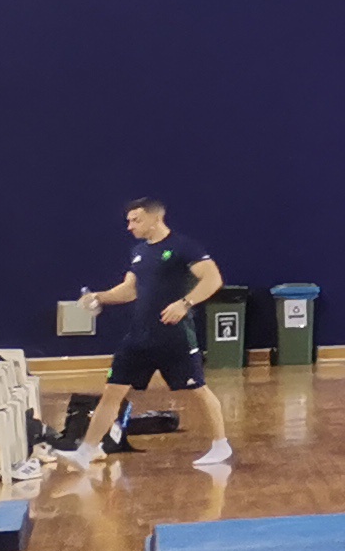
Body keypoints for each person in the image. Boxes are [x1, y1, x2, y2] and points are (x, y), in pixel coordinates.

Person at [65, 198, 231, 470]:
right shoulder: (139, 252)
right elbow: (129, 290)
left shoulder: (183, 247)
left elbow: (213, 279)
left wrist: (185, 303)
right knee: (112, 391)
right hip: (139, 337)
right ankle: (86, 451)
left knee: (197, 390)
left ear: (155, 218)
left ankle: (221, 445)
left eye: (136, 220)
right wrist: (99, 297)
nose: (130, 226)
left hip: (174, 336)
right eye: (129, 221)